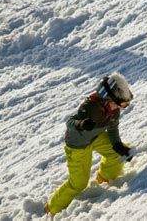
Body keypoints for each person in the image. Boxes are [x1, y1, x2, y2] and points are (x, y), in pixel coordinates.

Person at [45, 72, 134, 216]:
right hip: (77, 146)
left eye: (123, 104)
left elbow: (112, 129)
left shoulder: (114, 110)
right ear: (107, 98)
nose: (120, 108)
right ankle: (52, 208)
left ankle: (104, 178)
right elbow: (69, 122)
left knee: (117, 153)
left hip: (96, 138)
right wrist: (81, 124)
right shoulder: (90, 106)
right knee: (78, 183)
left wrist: (117, 145)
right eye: (120, 103)